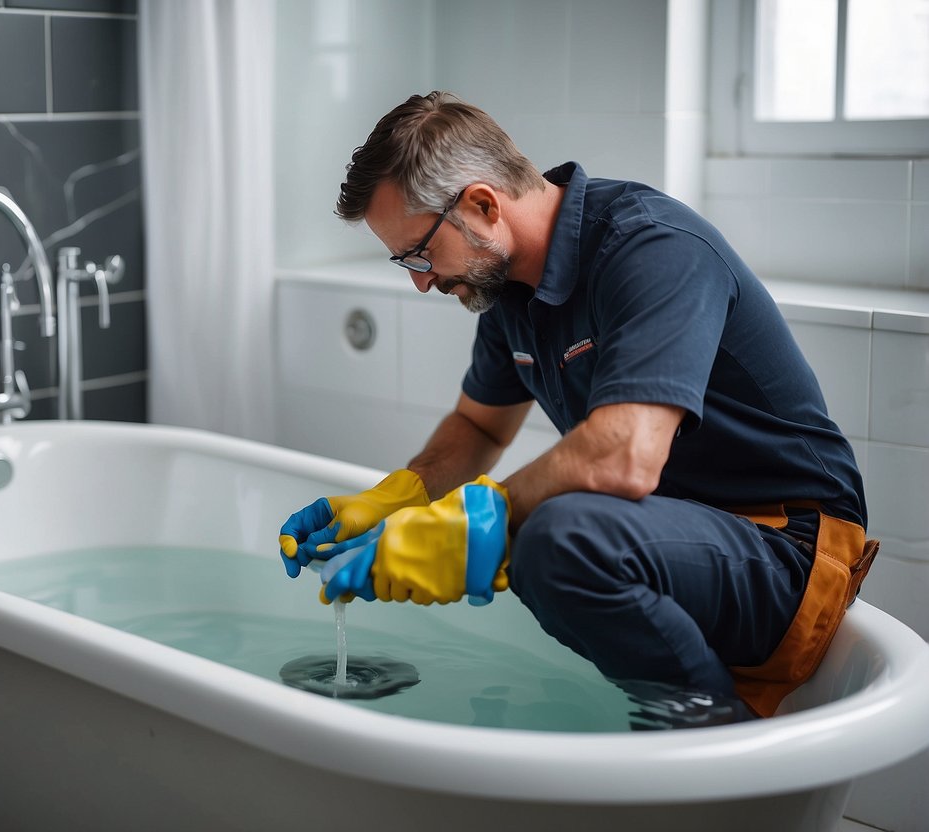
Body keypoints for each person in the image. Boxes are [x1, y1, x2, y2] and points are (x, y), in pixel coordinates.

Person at [277, 91, 878, 720]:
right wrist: (398, 498)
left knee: (556, 538)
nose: (419, 280)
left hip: (789, 547)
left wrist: (479, 523)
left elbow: (626, 457)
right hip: (677, 535)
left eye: (418, 253)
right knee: (551, 532)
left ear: (482, 205)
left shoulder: (651, 248)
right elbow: (477, 424)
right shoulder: (508, 290)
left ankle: (717, 762)